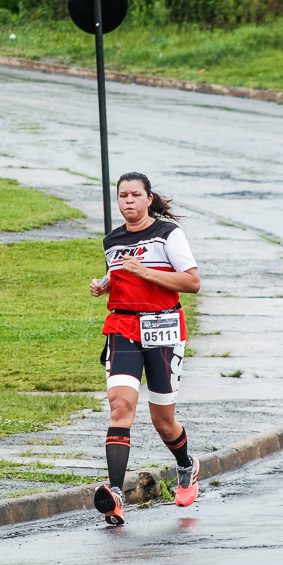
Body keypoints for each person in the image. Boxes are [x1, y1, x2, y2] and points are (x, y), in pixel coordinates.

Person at [88, 171, 202, 525]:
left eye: (136, 195)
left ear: (149, 199)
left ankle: (186, 465)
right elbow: (119, 271)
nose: (129, 202)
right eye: (123, 196)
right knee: (120, 405)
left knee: (162, 421)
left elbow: (192, 282)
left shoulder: (168, 234)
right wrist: (104, 285)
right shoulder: (112, 240)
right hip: (122, 326)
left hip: (163, 328)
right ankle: (116, 495)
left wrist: (146, 273)